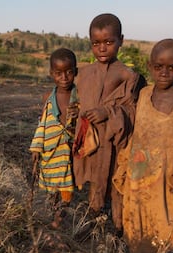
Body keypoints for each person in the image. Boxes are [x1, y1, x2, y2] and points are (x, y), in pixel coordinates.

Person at [112, 38, 173, 253]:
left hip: (167, 174)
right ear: (150, 66)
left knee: (163, 214)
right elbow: (137, 132)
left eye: (171, 67)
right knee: (136, 212)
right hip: (139, 169)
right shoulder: (145, 94)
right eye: (158, 67)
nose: (164, 72)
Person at [73, 13, 146, 234]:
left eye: (108, 42)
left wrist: (108, 112)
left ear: (120, 40)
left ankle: (118, 227)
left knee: (117, 183)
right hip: (92, 140)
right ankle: (93, 218)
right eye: (96, 43)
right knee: (94, 180)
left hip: (116, 141)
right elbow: (82, 101)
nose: (102, 48)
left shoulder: (129, 76)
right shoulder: (84, 73)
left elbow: (136, 111)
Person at [29, 48, 79, 228]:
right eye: (58, 73)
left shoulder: (79, 97)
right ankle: (53, 212)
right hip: (51, 152)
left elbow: (85, 123)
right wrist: (36, 148)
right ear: (52, 74)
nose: (64, 77)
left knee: (67, 190)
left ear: (76, 72)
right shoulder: (48, 99)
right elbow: (42, 125)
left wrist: (79, 115)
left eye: (69, 72)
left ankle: (59, 220)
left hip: (70, 151)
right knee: (53, 189)